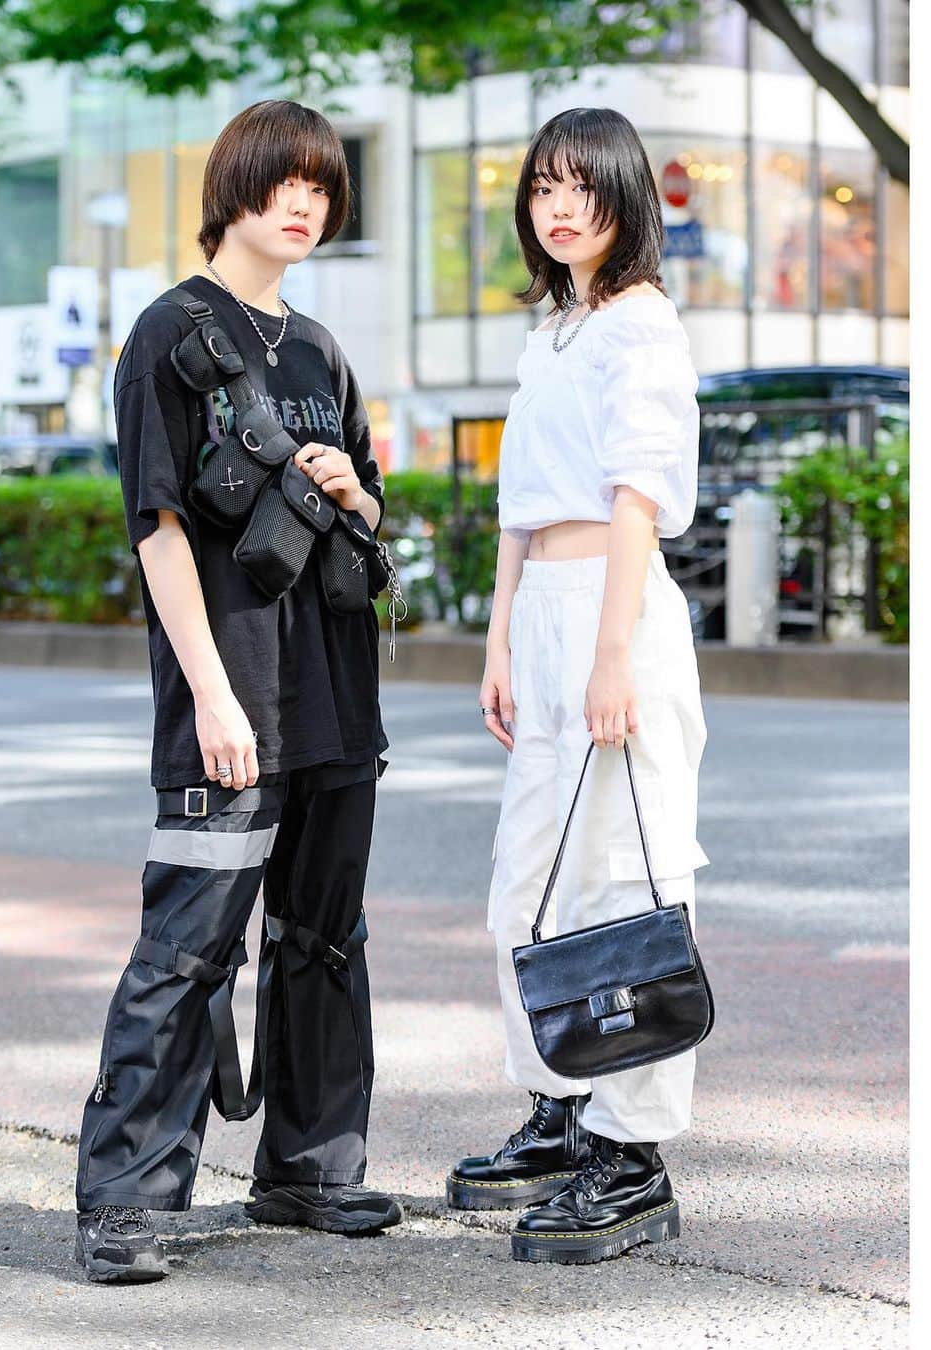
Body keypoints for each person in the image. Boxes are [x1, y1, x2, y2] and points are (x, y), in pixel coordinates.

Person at [73, 99, 401, 1283]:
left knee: (322, 941)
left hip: (338, 696)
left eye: (322, 185)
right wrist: (211, 695)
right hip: (234, 696)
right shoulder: (171, 333)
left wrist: (351, 493)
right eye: (284, 181)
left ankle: (312, 1167)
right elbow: (157, 529)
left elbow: (366, 508)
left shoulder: (320, 347)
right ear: (235, 188)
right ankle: (125, 1200)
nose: (305, 203)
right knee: (188, 949)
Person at [445, 107, 710, 1266]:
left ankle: (635, 1151)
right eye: (544, 189)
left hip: (616, 607)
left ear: (624, 200)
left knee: (622, 882)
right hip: (546, 614)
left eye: (583, 189)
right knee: (529, 886)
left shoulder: (640, 326)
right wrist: (502, 639)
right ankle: (562, 1107)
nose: (560, 208)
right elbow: (518, 506)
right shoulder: (553, 331)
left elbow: (636, 495)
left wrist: (610, 656)